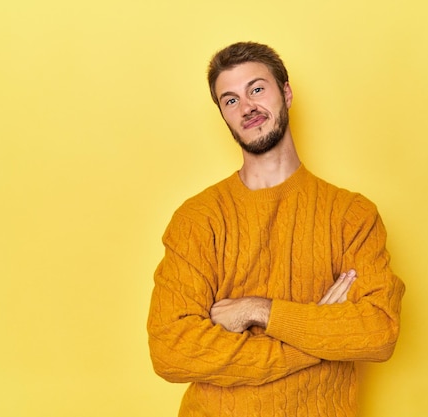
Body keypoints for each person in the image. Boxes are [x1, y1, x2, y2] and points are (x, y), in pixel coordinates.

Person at [147, 41, 405, 417]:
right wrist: (315, 336)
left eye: (256, 89)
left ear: (285, 92)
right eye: (230, 100)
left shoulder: (352, 214)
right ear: (223, 114)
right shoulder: (197, 219)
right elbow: (171, 350)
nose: (247, 106)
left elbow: (378, 331)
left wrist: (261, 311)